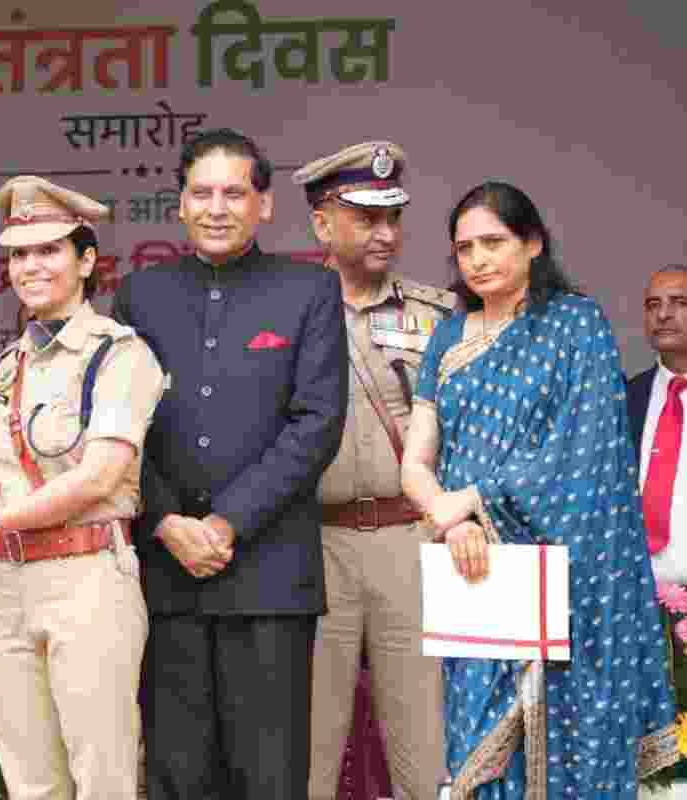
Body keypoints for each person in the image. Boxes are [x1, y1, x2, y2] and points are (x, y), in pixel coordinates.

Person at [401, 181, 678, 796]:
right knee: (477, 739)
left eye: (493, 241)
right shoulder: (449, 336)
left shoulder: (575, 324)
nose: (477, 258)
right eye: (464, 247)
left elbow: (583, 454)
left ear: (533, 243)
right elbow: (415, 461)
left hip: (570, 574)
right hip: (473, 566)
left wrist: (471, 500)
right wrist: (451, 521)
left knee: (574, 735)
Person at [113, 129, 348, 800]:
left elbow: (316, 424)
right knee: (176, 775)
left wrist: (225, 524)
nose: (218, 207)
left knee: (269, 777)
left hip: (269, 574)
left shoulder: (308, 290)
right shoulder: (139, 296)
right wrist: (165, 521)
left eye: (234, 193)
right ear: (180, 204)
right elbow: (120, 432)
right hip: (165, 576)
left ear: (264, 205)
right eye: (202, 192)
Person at [0, 175, 165, 800]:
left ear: (87, 261)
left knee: (101, 773)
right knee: (28, 778)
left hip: (86, 574)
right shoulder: (12, 361)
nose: (30, 266)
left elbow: (99, 476)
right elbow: (0, 484)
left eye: (48, 250)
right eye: (18, 253)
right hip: (7, 582)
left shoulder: (120, 353)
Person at [290, 142, 449, 800]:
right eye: (365, 216)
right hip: (312, 543)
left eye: (393, 217)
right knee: (307, 745)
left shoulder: (437, 314)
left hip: (406, 539)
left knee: (423, 738)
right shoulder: (291, 309)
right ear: (323, 223)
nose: (385, 232)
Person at [629, 265, 687, 586]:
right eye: (653, 305)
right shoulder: (625, 399)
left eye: (679, 302)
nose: (663, 314)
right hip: (638, 595)